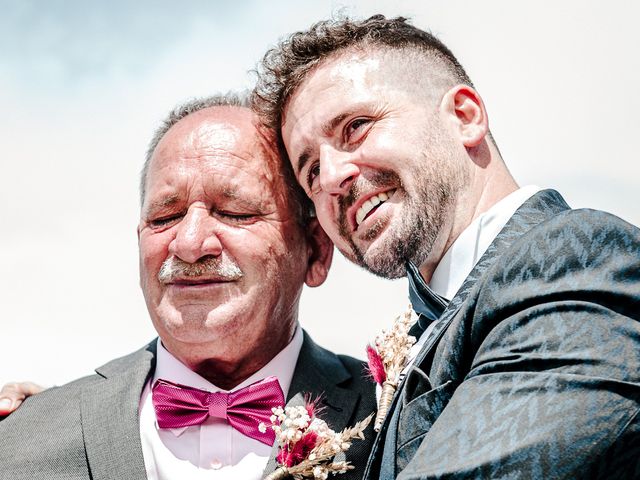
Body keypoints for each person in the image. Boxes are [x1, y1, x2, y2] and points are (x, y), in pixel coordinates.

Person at [251, 14, 640, 479]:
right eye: (311, 171)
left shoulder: (577, 260)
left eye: (356, 126)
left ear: (465, 117)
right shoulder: (431, 327)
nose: (333, 178)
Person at [0, 93, 376, 480]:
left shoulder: (391, 414)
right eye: (165, 217)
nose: (190, 244)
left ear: (315, 250)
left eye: (235, 213)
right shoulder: (24, 436)